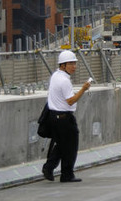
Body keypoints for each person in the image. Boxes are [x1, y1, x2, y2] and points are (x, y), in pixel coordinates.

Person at [42, 50, 91, 182]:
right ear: (63, 65)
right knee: (70, 146)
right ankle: (66, 174)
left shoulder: (55, 76)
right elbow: (70, 101)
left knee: (62, 145)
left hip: (54, 117)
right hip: (64, 118)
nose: (74, 66)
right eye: (70, 63)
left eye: (74, 63)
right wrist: (83, 89)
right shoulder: (64, 81)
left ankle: (49, 167)